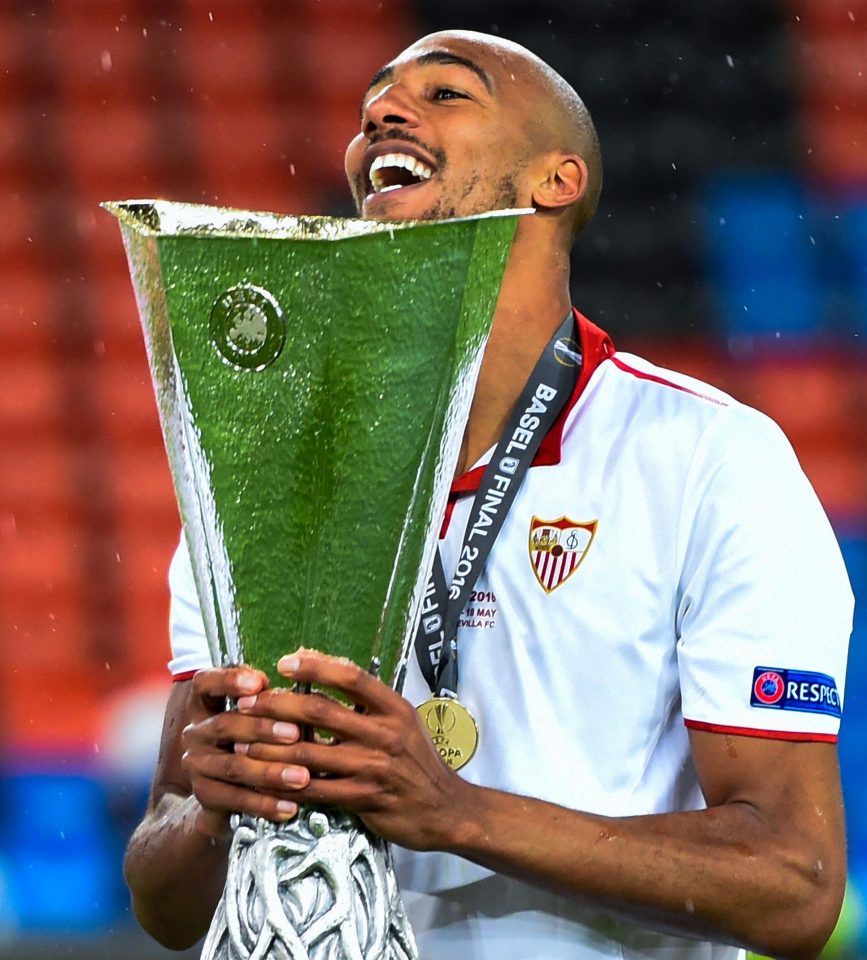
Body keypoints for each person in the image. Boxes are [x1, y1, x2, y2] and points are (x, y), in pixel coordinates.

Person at [124, 30, 853, 960]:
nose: (382, 114)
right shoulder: (269, 481)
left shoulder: (708, 459)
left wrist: (457, 813)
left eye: (446, 94)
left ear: (556, 179)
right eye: (373, 104)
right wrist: (211, 814)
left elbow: (794, 886)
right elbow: (166, 902)